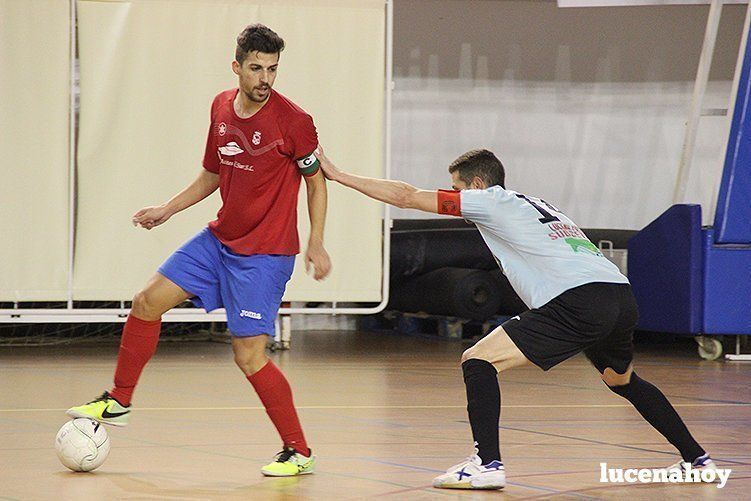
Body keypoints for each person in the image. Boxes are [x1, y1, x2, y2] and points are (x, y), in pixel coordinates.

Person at [315, 148, 715, 490]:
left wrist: (337, 174)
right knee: (621, 380)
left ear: (473, 185)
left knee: (478, 359)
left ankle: (487, 465)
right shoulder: (536, 204)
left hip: (577, 300)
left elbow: (405, 196)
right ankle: (697, 461)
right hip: (618, 294)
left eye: (455, 188)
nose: (453, 197)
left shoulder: (488, 200)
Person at [67, 24, 331, 477]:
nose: (265, 78)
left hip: (265, 254)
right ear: (237, 67)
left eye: (272, 69)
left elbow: (316, 183)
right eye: (256, 68)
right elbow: (213, 172)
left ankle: (298, 450)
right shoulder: (221, 107)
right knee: (147, 301)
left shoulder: (294, 121)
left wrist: (316, 241)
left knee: (248, 356)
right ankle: (120, 401)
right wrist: (168, 208)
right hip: (219, 240)